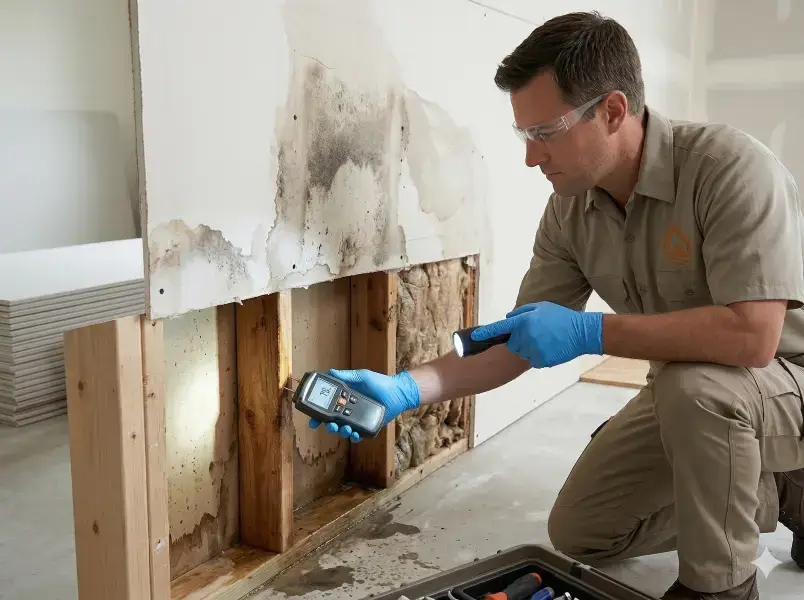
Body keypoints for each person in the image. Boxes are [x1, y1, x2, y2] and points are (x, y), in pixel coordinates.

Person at [310, 11, 804, 600]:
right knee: (582, 530)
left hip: (779, 380)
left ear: (614, 111)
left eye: (546, 133)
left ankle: (720, 588)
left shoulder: (729, 169)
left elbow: (752, 339)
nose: (530, 157)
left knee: (694, 390)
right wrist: (401, 391)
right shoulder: (572, 208)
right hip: (695, 394)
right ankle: (777, 491)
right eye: (525, 135)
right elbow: (520, 345)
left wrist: (592, 332)